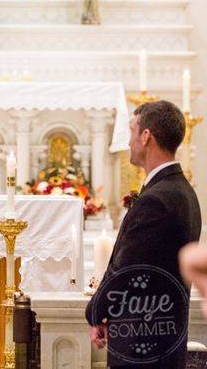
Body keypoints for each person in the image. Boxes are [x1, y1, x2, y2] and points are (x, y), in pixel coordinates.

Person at [86, 100, 201, 368]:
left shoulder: (157, 199)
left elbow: (127, 268)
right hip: (164, 336)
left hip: (142, 342)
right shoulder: (184, 192)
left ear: (146, 136)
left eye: (131, 131)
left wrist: (96, 312)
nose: (128, 142)